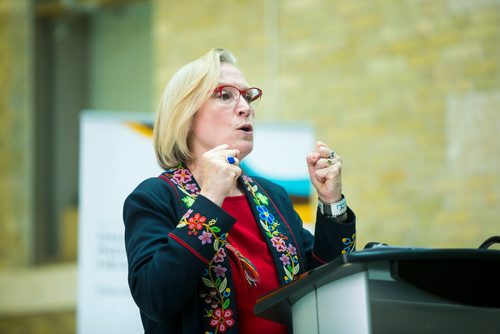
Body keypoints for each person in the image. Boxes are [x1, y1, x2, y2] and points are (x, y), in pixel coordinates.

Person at [123, 48, 356, 334]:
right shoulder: (155, 197)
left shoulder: (272, 197)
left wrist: (331, 202)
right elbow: (155, 298)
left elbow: (326, 284)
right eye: (225, 95)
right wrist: (210, 199)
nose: (246, 107)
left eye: (248, 96)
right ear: (186, 114)